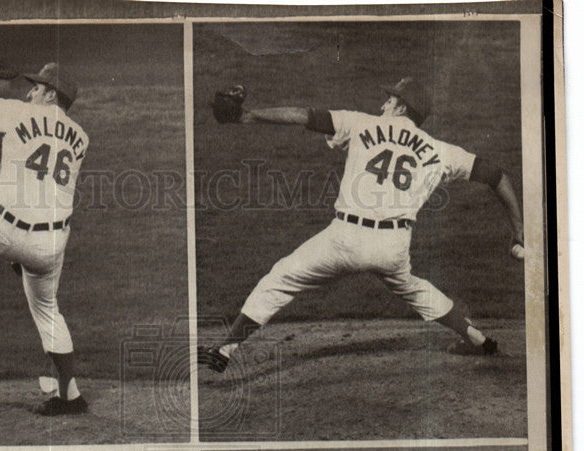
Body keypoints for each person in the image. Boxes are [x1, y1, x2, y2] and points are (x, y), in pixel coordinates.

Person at [199, 77, 525, 372]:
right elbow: (496, 176)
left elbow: (305, 115)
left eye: (390, 99)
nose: (383, 104)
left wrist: (248, 116)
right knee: (412, 287)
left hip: (344, 239)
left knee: (280, 278)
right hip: (392, 248)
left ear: (400, 106)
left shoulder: (361, 123)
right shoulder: (441, 152)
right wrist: (518, 230)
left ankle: (224, 350)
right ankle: (477, 338)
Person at [0, 62, 90, 415]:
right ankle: (71, 396)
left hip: (3, 234)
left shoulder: (18, 113)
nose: (30, 91)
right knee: (49, 312)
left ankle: (14, 260)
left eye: (37, 87)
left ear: (51, 94)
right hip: (49, 247)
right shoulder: (81, 138)